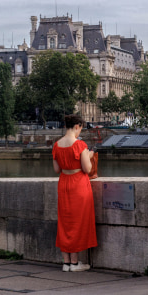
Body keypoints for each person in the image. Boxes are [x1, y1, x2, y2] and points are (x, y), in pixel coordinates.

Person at [52, 114, 97, 272]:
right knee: (78, 222)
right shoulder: (80, 145)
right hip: (78, 184)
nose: (80, 132)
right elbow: (87, 169)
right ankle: (76, 262)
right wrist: (89, 155)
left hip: (64, 183)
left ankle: (66, 263)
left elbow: (57, 169)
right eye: (81, 129)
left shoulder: (57, 145)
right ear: (77, 126)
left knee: (65, 223)